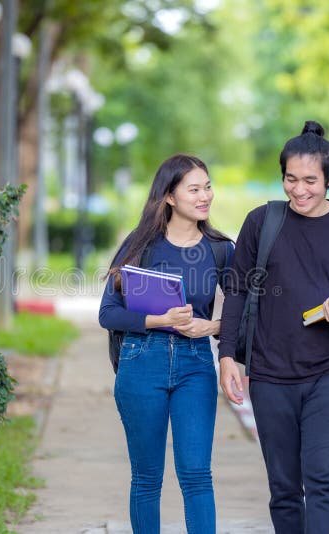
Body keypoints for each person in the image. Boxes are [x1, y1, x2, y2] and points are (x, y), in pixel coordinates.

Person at [217, 121, 329, 534]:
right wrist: (227, 357)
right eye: (291, 179)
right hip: (271, 378)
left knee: (323, 482)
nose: (299, 189)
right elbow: (237, 291)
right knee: (285, 488)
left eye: (310, 180)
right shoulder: (262, 222)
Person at [99, 154, 234, 533]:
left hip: (195, 366)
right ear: (170, 197)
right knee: (146, 478)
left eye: (207, 186)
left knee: (196, 474)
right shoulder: (141, 245)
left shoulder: (221, 249)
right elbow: (108, 313)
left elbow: (244, 316)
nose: (205, 195)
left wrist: (212, 327)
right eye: (194, 189)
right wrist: (158, 320)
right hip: (142, 362)